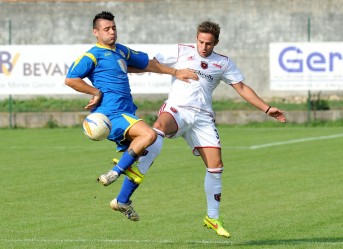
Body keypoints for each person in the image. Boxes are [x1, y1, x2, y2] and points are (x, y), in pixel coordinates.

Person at [111, 20, 286, 238]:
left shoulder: (223, 63)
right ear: (196, 39)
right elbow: (149, 63)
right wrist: (122, 70)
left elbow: (241, 87)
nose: (204, 47)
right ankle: (129, 181)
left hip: (203, 118)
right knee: (158, 128)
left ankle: (212, 217)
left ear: (216, 43)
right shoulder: (181, 51)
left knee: (216, 166)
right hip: (178, 110)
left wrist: (266, 108)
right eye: (201, 42)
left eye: (209, 44)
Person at [65, 11, 197, 222]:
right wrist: (94, 92)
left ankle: (122, 200)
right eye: (106, 29)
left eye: (113, 28)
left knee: (147, 154)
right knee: (149, 134)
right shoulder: (92, 55)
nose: (111, 32)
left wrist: (175, 72)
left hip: (126, 113)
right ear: (95, 32)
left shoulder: (121, 51)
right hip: (111, 114)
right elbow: (71, 79)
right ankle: (115, 172)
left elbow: (148, 64)